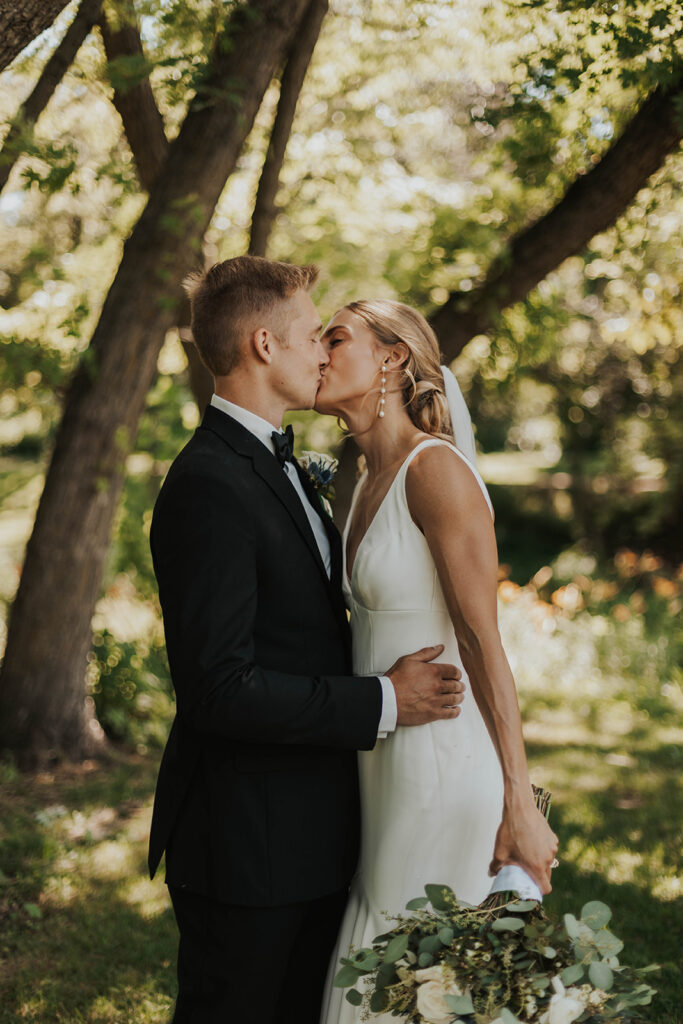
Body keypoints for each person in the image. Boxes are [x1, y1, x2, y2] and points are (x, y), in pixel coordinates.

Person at [147, 257, 467, 1024]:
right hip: (248, 851)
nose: (322, 353)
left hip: (309, 836)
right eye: (308, 336)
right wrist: (383, 699)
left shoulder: (272, 463)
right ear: (264, 345)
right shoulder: (210, 486)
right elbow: (219, 689)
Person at [314, 299, 559, 1024]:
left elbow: (484, 641)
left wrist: (520, 800)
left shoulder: (435, 471)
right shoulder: (362, 480)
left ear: (391, 357)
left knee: (419, 969)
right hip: (384, 762)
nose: (318, 353)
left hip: (442, 766)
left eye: (335, 338)